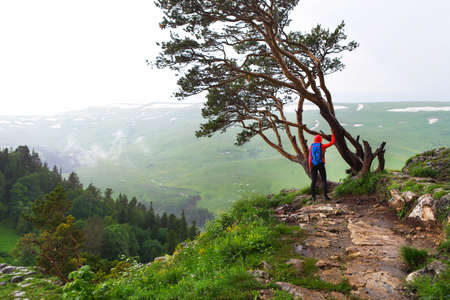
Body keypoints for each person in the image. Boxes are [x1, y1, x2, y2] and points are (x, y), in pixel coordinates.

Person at [309, 131, 335, 202]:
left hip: (313, 165)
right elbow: (332, 142)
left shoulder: (311, 146)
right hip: (321, 164)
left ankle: (313, 197)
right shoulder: (322, 146)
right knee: (324, 180)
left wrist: (310, 166)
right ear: (320, 140)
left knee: (313, 181)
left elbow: (310, 157)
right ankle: (325, 196)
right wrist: (333, 134)